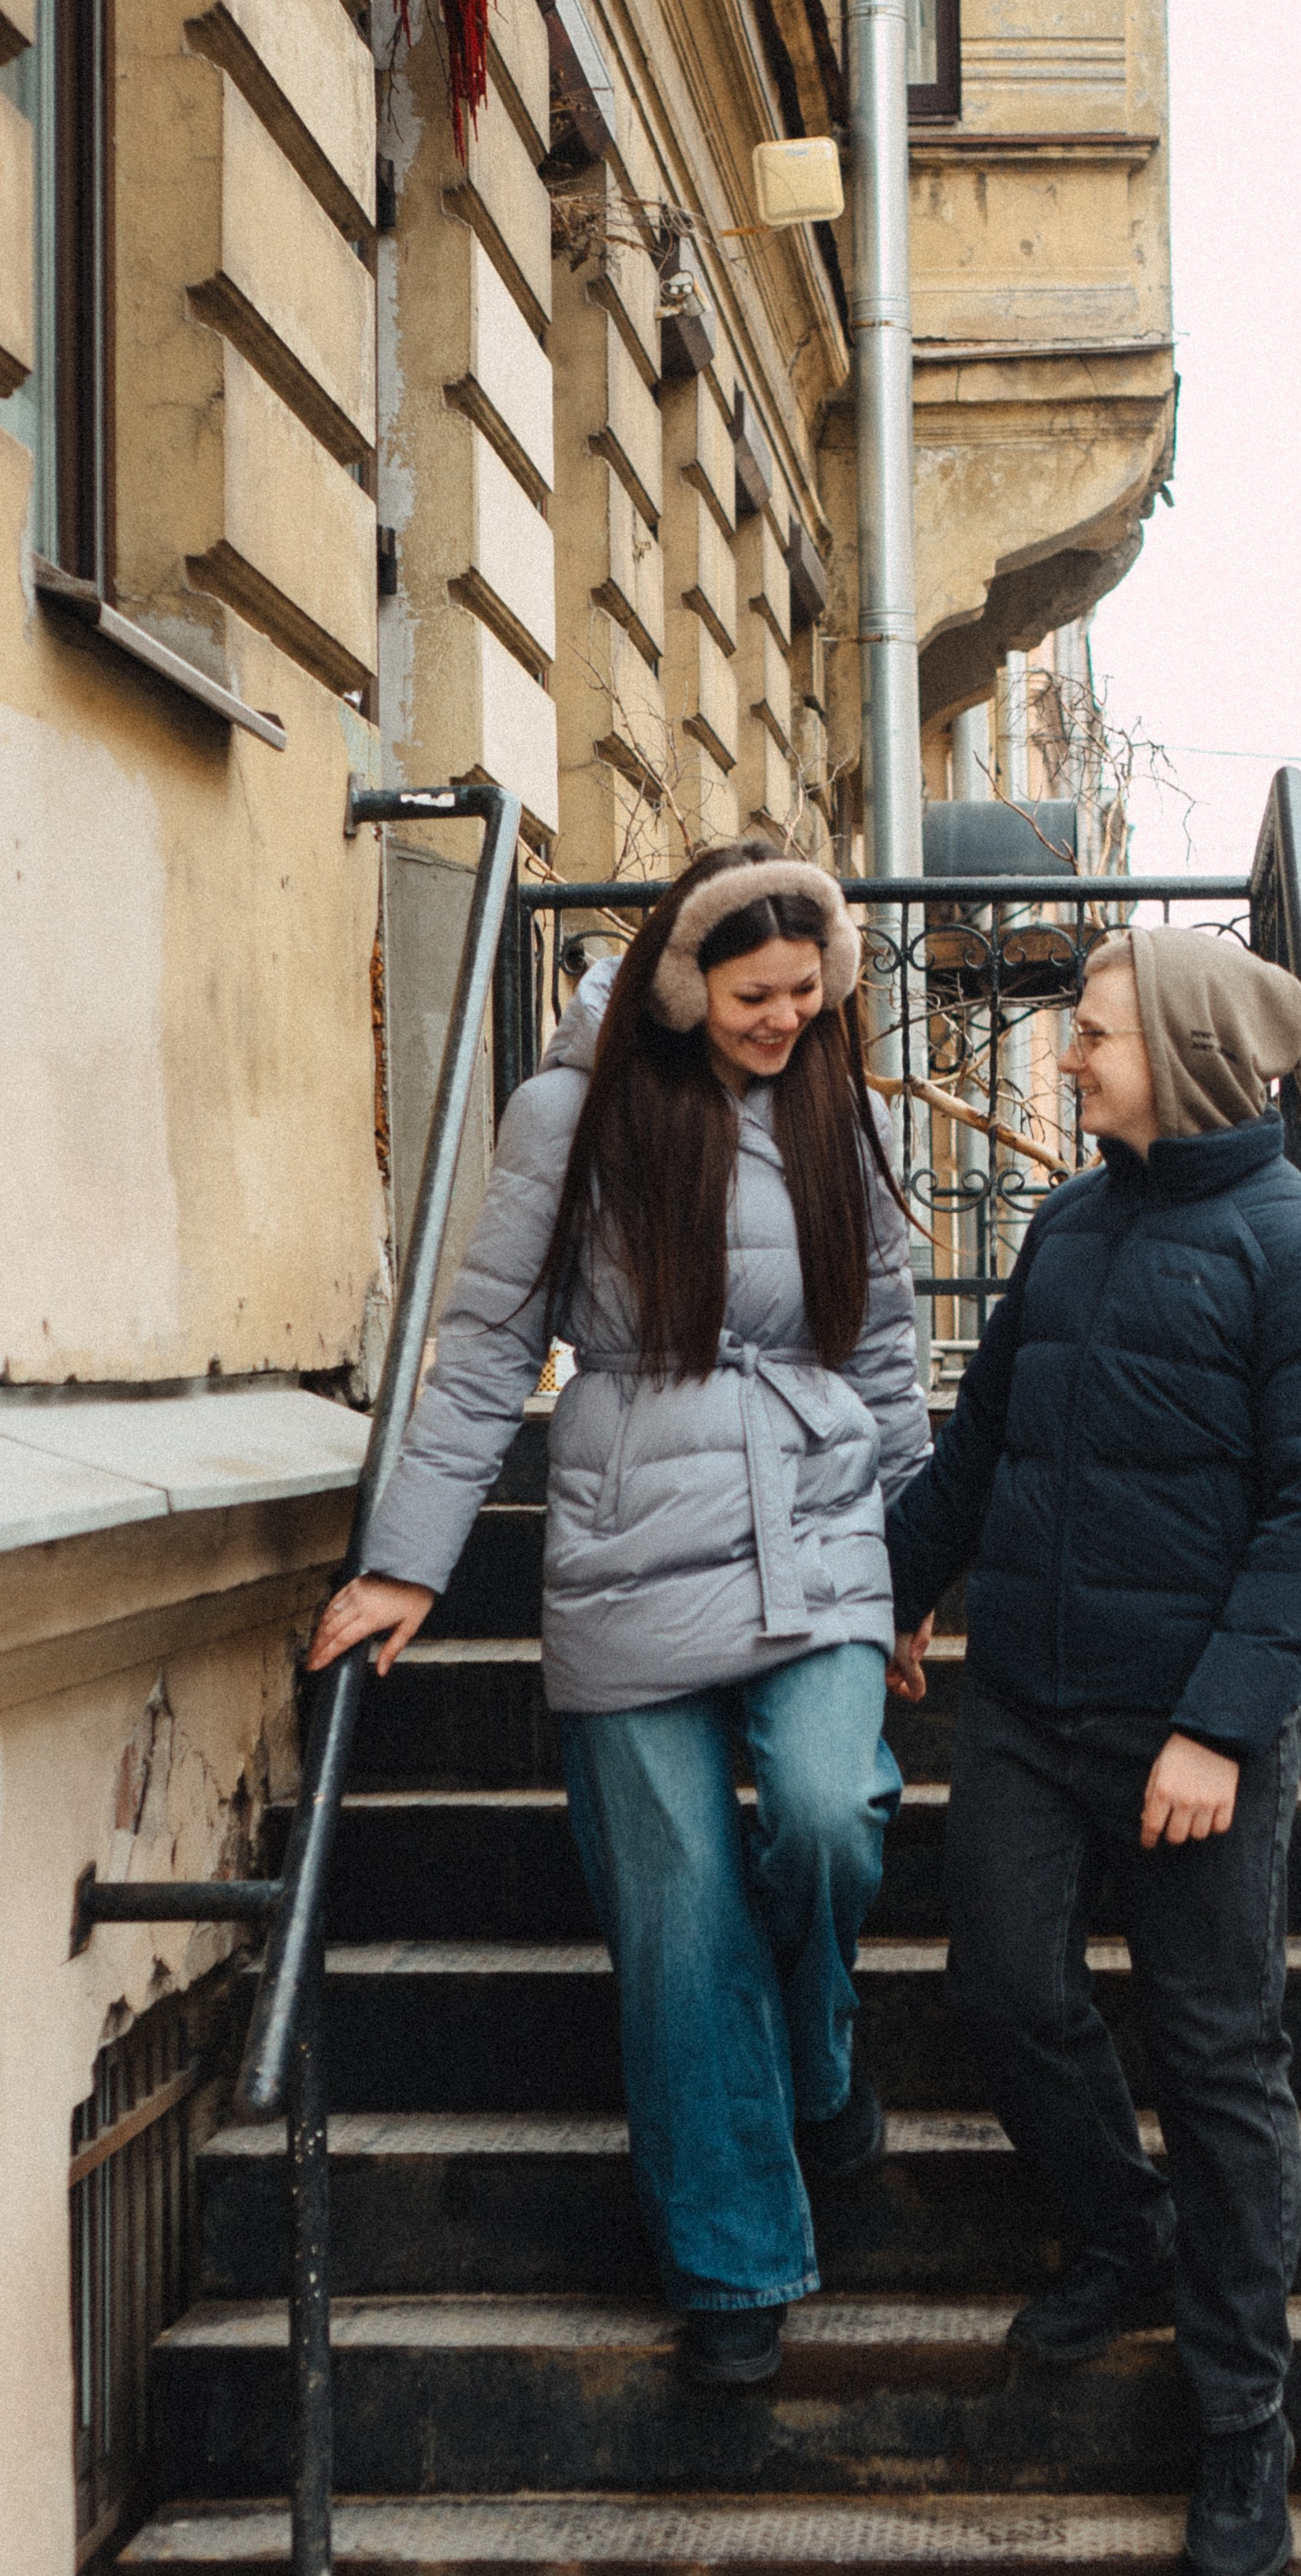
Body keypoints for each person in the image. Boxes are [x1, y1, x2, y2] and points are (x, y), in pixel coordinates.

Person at [304, 843, 929, 2386]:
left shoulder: (840, 1113)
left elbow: (892, 1355)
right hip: (622, 1533)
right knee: (674, 1914)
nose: (786, 1018)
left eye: (807, 992)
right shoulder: (561, 1116)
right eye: (753, 994)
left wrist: (920, 1575)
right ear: (678, 983)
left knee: (827, 1813)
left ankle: (821, 2059)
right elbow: (478, 1351)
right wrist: (407, 1558)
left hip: (819, 1529)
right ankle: (729, 2266)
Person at [885, 927, 1301, 2576]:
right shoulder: (1068, 1222)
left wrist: (1216, 1727)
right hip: (1026, 1703)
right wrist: (893, 1596)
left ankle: (1242, 2427)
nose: (1065, 1058)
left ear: (1169, 1054)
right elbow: (981, 1446)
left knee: (1217, 2063)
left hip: (1186, 1736)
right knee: (1004, 1987)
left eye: (1090, 1034)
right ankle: (1122, 2231)